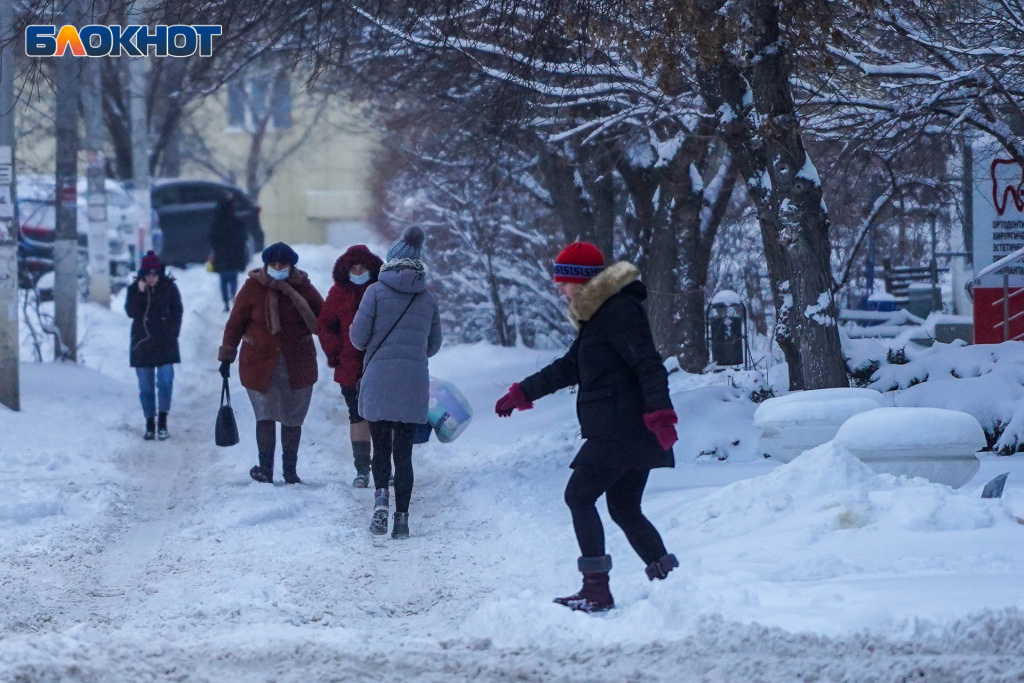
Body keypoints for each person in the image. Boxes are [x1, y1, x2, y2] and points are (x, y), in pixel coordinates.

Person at [494, 242, 680, 613]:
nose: (559, 289)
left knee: (579, 496)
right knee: (624, 507)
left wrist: (660, 414)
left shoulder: (618, 311)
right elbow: (569, 367)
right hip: (623, 426)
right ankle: (673, 583)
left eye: (562, 282)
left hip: (622, 426)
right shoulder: (598, 317)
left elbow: (648, 363)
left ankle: (596, 590)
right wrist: (522, 393)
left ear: (579, 282)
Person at [350, 226, 442, 539]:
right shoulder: (428, 298)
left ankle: (380, 503)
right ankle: (401, 520)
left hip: (378, 380)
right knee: (404, 455)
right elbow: (433, 346)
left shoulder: (374, 292)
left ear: (392, 259)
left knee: (380, 449)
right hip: (413, 383)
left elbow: (358, 338)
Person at [218, 242, 324, 484]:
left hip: (298, 363)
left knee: (292, 417)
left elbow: (324, 319)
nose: (277, 267)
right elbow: (235, 323)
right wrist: (227, 355)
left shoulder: (304, 288)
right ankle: (265, 468)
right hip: (259, 364)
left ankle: (290, 470)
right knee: (264, 415)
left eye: (283, 264)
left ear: (291, 265)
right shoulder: (252, 288)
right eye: (273, 264)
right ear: (265, 264)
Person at [318, 245, 384, 488]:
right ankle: (362, 468)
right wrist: (335, 353)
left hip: (380, 365)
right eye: (353, 267)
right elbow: (325, 325)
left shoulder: (381, 291)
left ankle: (382, 467)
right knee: (357, 417)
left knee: (382, 418)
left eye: (362, 267)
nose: (358, 271)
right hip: (349, 366)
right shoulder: (338, 294)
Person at [125, 250, 183, 441]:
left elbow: (177, 312)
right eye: (148, 274)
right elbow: (131, 312)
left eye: (154, 274)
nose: (151, 278)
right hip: (142, 344)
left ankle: (163, 419)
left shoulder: (169, 288)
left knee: (165, 382)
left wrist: (173, 334)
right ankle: (150, 422)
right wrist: (141, 293)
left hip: (165, 344)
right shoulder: (134, 289)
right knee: (146, 387)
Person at [208, 194, 250, 312]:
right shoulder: (238, 222)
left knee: (223, 279)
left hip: (221, 256)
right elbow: (243, 237)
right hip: (235, 255)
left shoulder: (216, 223)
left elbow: (211, 238)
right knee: (233, 277)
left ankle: (226, 301)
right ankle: (233, 295)